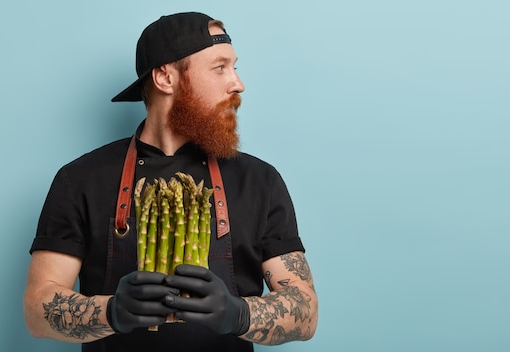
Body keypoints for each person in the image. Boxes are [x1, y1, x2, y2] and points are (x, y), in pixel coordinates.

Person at [23, 11, 318, 351]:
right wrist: (111, 312)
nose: (238, 83)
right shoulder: (80, 179)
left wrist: (239, 314)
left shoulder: (259, 180)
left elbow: (306, 312)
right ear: (165, 78)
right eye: (219, 67)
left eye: (234, 67)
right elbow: (37, 309)